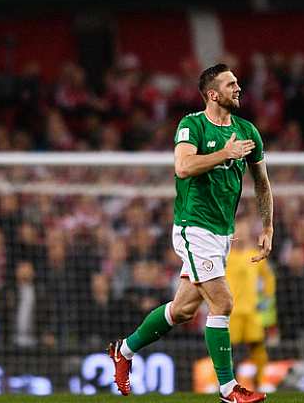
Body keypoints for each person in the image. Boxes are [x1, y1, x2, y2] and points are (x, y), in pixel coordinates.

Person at [108, 64, 274, 403]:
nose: (238, 88)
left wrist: (268, 225)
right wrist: (224, 154)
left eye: (238, 83)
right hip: (192, 228)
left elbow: (262, 182)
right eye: (231, 84)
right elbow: (183, 167)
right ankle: (229, 390)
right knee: (223, 301)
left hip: (222, 233)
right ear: (213, 94)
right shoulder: (192, 125)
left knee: (183, 310)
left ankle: (124, 351)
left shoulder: (248, 131)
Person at [226, 217, 276, 391]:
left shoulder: (255, 254)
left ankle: (261, 382)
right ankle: (226, 383)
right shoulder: (225, 254)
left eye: (244, 230)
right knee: (227, 349)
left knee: (257, 347)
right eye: (237, 230)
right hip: (230, 312)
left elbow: (269, 278)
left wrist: (267, 298)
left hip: (252, 311)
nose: (240, 233)